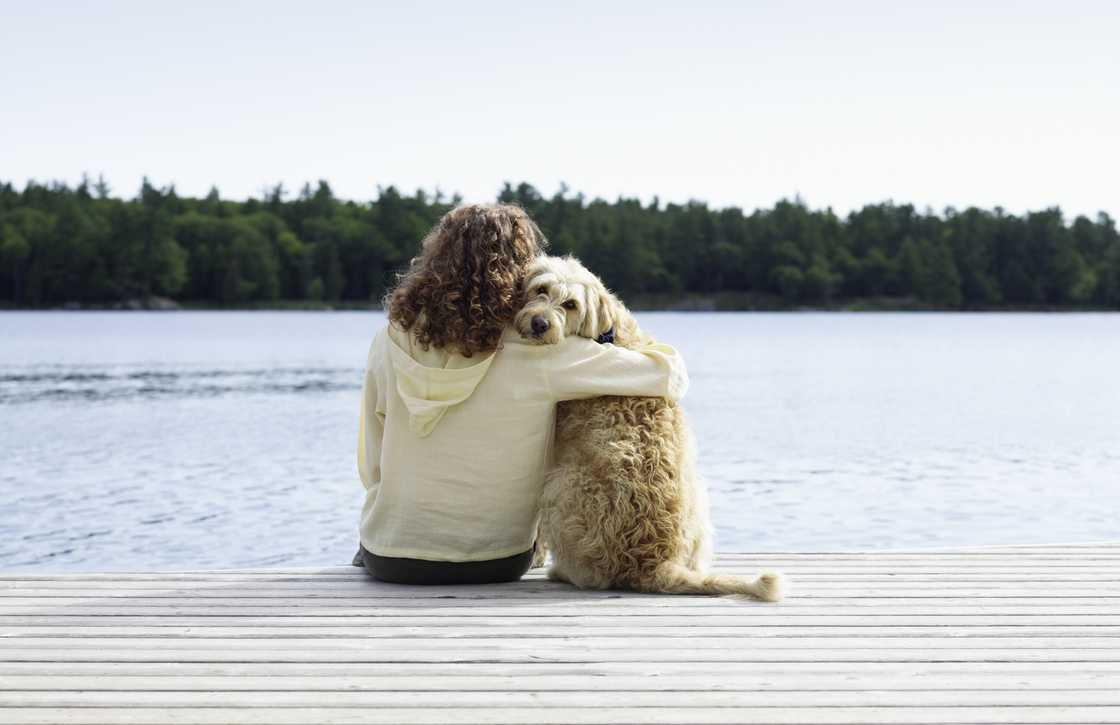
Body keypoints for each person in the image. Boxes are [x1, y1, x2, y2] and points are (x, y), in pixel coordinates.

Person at [356, 203, 688, 585]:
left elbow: (371, 461)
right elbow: (669, 376)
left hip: (390, 557)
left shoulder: (389, 338)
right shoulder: (543, 353)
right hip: (497, 560)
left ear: (434, 261)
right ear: (518, 272)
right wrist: (612, 323)